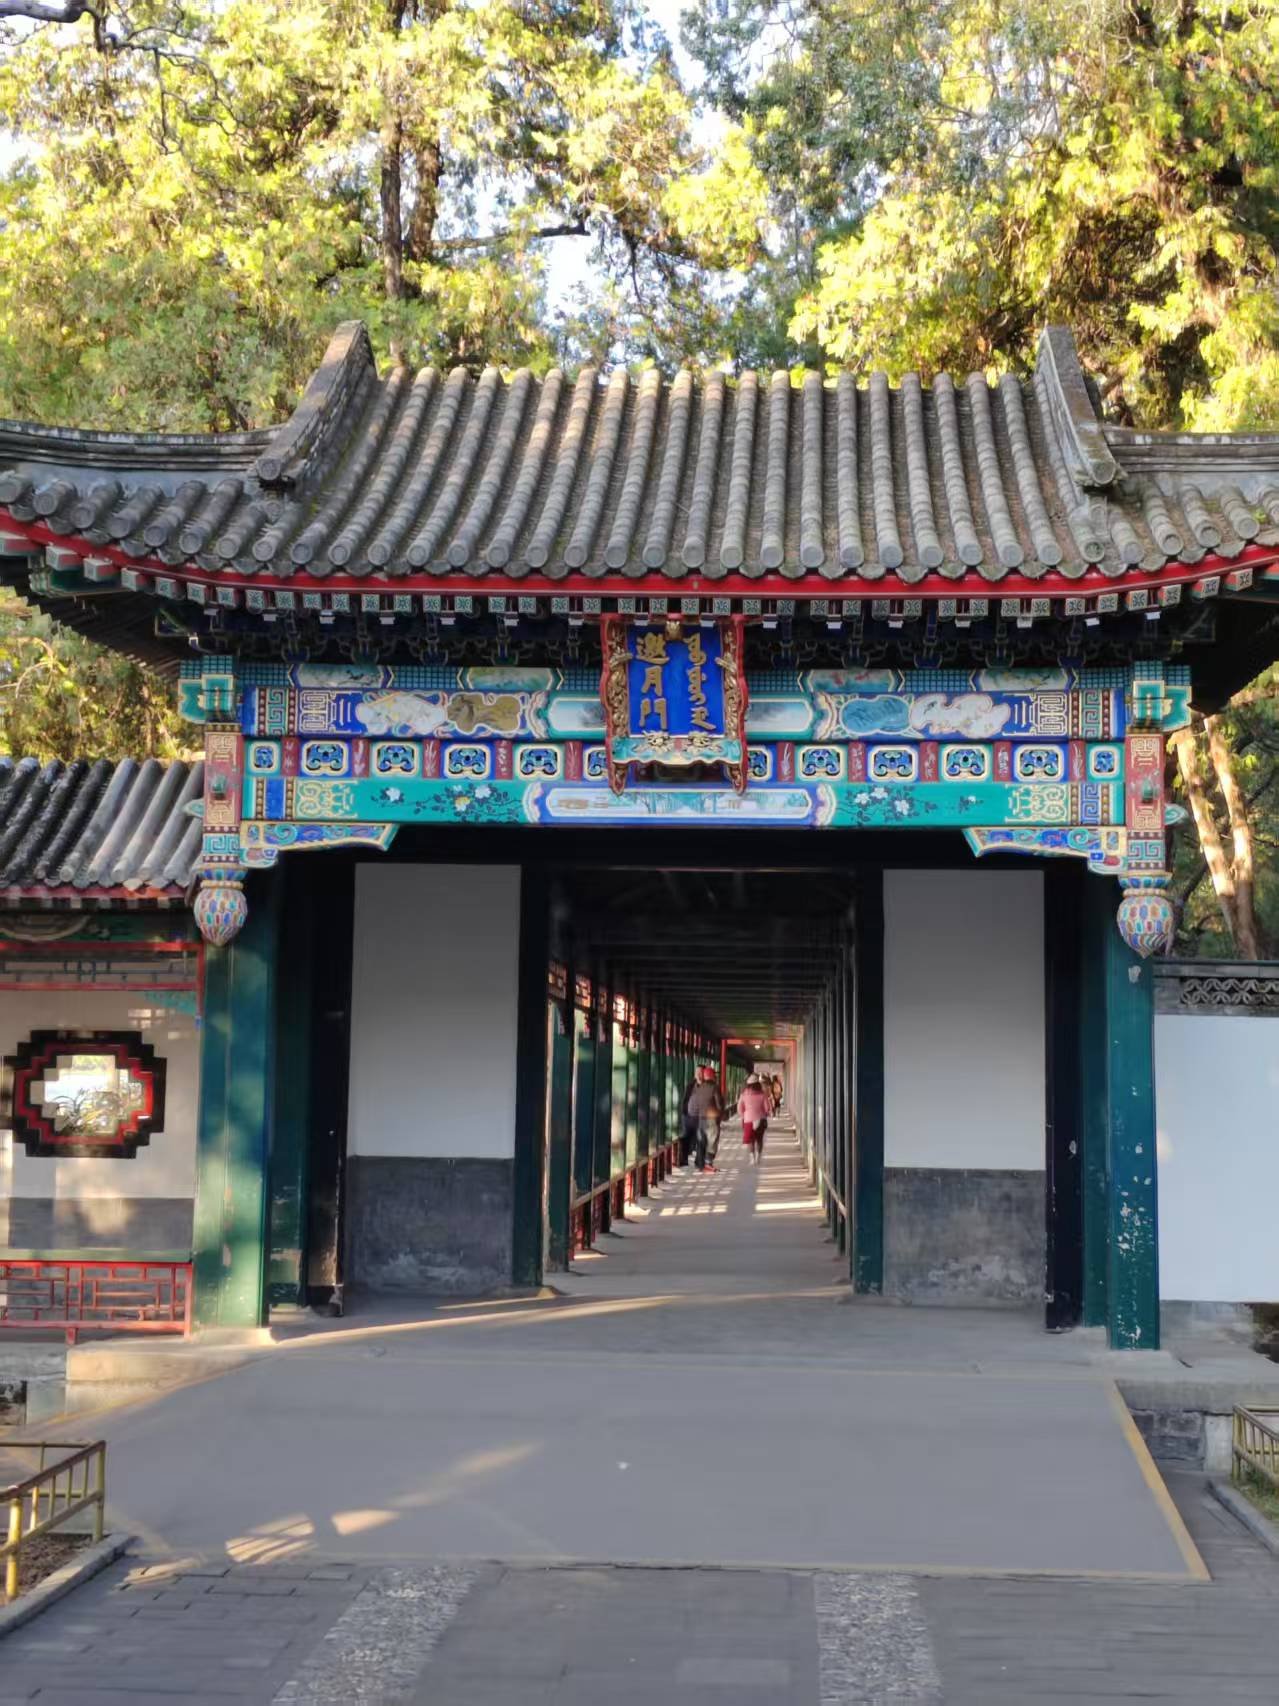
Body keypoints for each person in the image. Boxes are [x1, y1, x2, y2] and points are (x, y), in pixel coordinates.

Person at [687, 1067, 723, 1172]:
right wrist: (720, 1114)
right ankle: (708, 1163)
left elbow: (694, 1103)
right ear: (713, 1076)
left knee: (702, 1141)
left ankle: (700, 1164)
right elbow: (719, 1104)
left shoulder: (698, 1088)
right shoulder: (715, 1088)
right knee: (712, 1141)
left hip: (700, 1118)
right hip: (712, 1118)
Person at [738, 1073, 771, 1164]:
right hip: (760, 1119)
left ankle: (752, 1158)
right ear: (758, 1084)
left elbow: (739, 1108)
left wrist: (743, 1116)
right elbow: (767, 1108)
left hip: (748, 1120)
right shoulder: (762, 1094)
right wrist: (765, 1113)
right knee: (759, 1139)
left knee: (751, 1140)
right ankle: (758, 1157)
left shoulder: (743, 1094)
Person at [679, 1071, 700, 1166]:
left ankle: (699, 1159)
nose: (698, 1074)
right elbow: (685, 1099)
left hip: (700, 1117)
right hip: (687, 1116)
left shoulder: (707, 1086)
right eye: (697, 1072)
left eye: (700, 1072)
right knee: (685, 1137)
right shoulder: (690, 1086)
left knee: (700, 1138)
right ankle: (684, 1159)